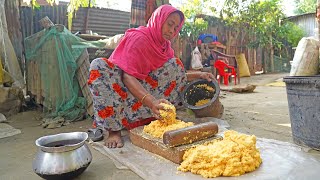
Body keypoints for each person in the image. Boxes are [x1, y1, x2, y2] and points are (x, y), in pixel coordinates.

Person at [88, 5, 215, 148]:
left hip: (140, 93)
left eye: (176, 28)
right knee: (98, 66)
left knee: (175, 65)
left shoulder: (164, 46)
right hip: (121, 92)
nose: (172, 31)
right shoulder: (139, 38)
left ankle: (151, 117)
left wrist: (200, 74)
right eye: (170, 24)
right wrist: (152, 102)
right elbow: (127, 77)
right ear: (159, 20)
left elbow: (177, 74)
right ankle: (113, 130)